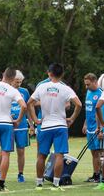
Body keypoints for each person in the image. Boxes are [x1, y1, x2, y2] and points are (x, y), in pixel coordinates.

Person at [27, 63, 82, 192]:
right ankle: (56, 183)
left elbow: (29, 103)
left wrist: (35, 119)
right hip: (60, 125)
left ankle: (39, 183)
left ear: (49, 73)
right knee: (59, 155)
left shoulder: (42, 87)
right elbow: (78, 104)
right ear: (62, 74)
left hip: (45, 126)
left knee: (41, 155)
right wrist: (72, 119)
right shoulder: (65, 88)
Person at [0, 70, 32, 183]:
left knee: (21, 151)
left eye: (20, 82)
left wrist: (31, 124)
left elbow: (28, 108)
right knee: (3, 151)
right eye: (16, 81)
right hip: (7, 125)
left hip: (22, 126)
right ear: (11, 80)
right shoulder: (4, 90)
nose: (18, 84)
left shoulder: (24, 92)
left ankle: (20, 174)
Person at [82, 73, 103, 183]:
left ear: (95, 82)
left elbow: (101, 113)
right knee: (94, 153)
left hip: (97, 129)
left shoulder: (101, 94)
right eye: (85, 85)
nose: (86, 87)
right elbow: (88, 110)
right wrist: (85, 124)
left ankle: (102, 175)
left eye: (88, 84)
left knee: (100, 153)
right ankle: (95, 175)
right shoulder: (89, 92)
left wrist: (100, 129)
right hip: (89, 128)